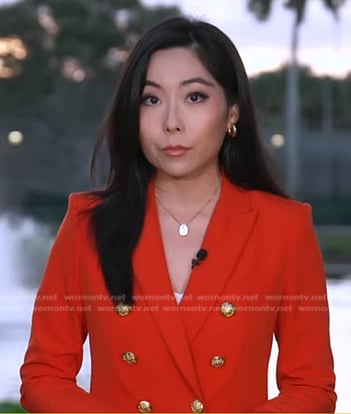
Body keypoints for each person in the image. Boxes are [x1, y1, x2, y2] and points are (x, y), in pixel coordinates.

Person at [20, 16, 336, 413]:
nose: (171, 123)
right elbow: (42, 376)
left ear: (232, 113)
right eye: (151, 100)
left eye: (195, 97)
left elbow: (312, 387)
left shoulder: (284, 227)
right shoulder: (89, 222)